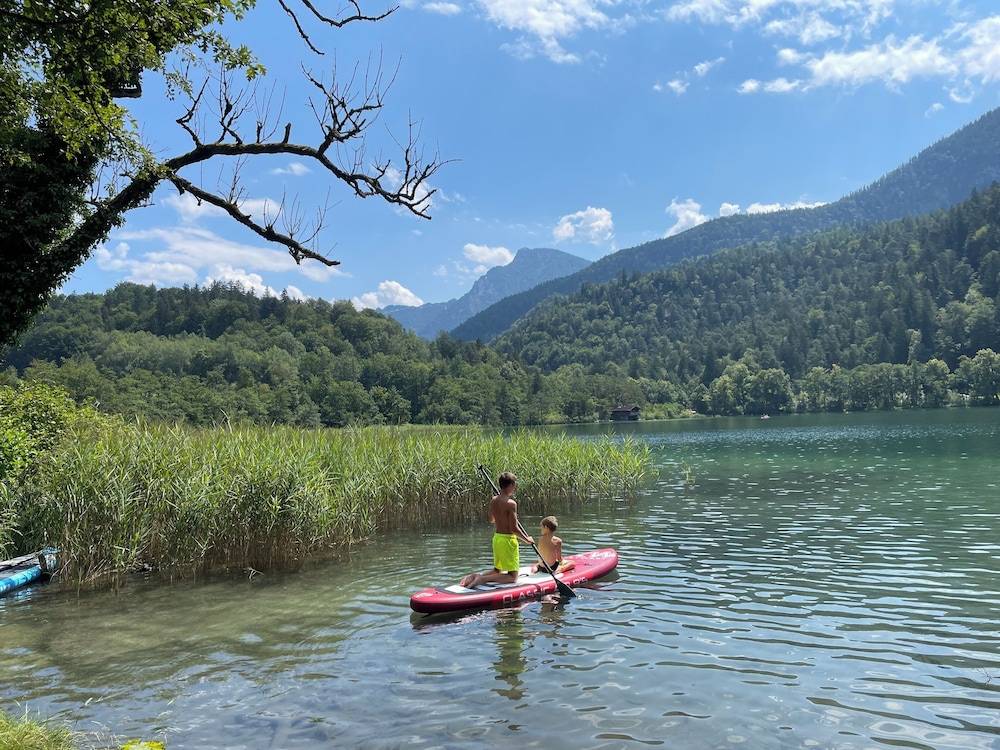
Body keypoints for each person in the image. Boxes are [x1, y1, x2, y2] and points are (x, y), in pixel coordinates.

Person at [460, 472, 533, 588]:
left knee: (497, 570)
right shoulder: (511, 504)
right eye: (514, 485)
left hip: (497, 539)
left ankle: (476, 576)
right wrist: (527, 539)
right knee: (512, 577)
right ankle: (482, 579)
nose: (515, 488)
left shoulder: (494, 500)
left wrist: (500, 512)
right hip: (508, 541)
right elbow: (514, 528)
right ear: (510, 486)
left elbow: (491, 519)